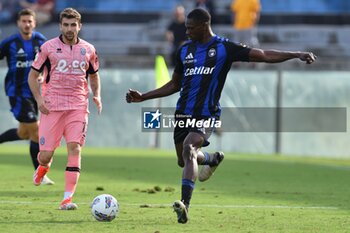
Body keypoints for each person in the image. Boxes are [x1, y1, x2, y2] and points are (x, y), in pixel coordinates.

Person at [126, 8, 316, 224]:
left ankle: (184, 206)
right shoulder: (184, 50)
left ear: (204, 25)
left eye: (190, 28)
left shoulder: (224, 47)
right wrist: (143, 97)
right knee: (184, 160)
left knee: (189, 148)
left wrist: (296, 54)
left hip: (207, 113)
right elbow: (175, 84)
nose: (186, 31)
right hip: (183, 113)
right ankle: (211, 158)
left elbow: (262, 55)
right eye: (185, 27)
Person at [28, 7, 102, 210]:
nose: (70, 29)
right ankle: (43, 167)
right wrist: (39, 99)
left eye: (73, 25)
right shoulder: (48, 48)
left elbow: (94, 76)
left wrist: (96, 95)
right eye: (66, 25)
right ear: (60, 25)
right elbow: (33, 76)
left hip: (78, 106)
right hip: (51, 107)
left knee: (75, 148)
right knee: (46, 155)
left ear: (80, 26)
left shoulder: (89, 49)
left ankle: (67, 198)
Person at [0, 8, 54, 185]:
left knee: (24, 133)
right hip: (17, 93)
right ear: (18, 23)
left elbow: (50, 63)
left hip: (35, 94)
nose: (27, 24)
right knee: (37, 132)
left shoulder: (41, 41)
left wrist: (43, 75)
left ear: (34, 23)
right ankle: (39, 174)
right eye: (23, 21)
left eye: (29, 21)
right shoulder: (10, 43)